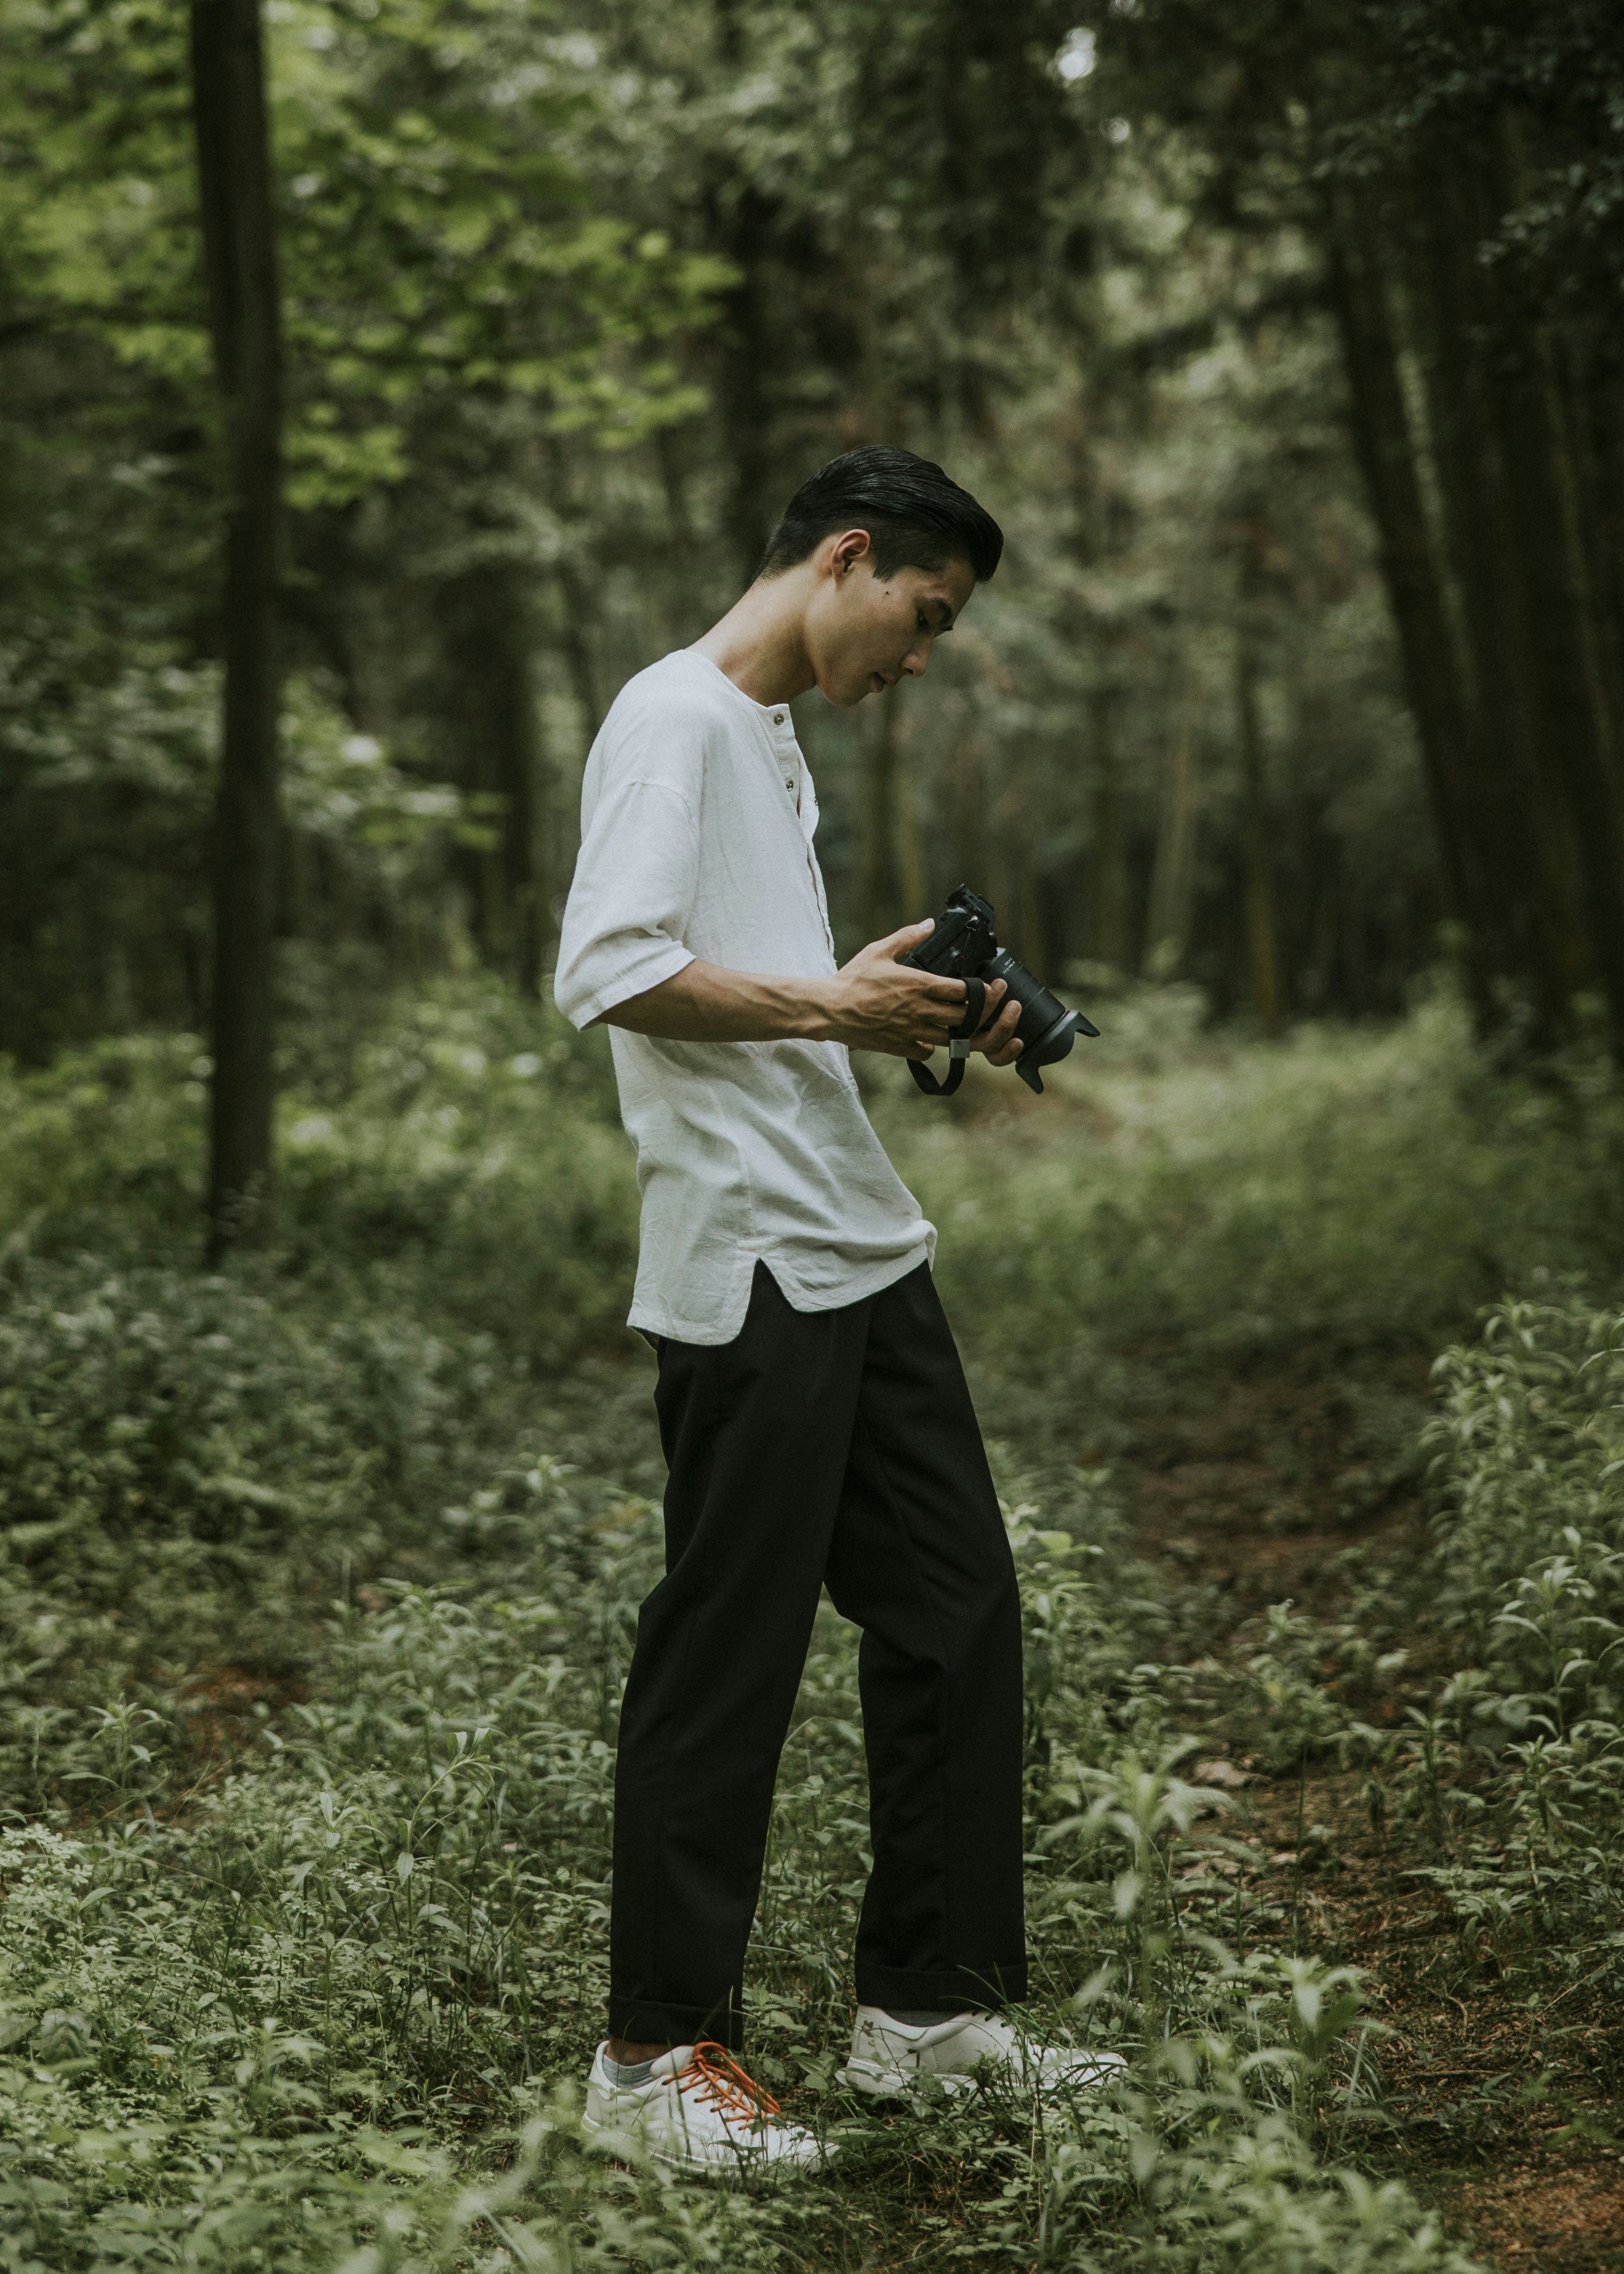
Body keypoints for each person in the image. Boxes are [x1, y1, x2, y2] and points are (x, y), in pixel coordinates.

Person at [554, 447, 1118, 2176]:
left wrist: (897, 997)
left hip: (858, 1242)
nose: (924, 655)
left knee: (956, 1609)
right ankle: (653, 2063)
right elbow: (610, 966)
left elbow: (768, 989)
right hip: (752, 1262)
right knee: (731, 1645)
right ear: (848, 558)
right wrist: (834, 1005)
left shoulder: (767, 737)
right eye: (924, 615)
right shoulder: (674, 716)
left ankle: (929, 2016)